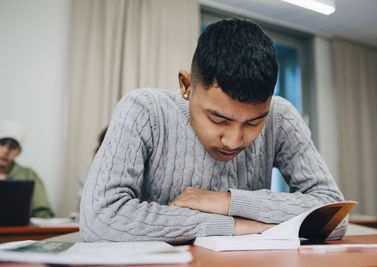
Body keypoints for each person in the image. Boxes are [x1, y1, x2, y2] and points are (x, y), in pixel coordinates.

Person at [80, 18, 346, 243]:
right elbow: (99, 219)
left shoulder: (282, 116)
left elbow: (335, 216)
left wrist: (226, 202)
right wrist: (233, 226)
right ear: (186, 86)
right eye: (218, 119)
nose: (233, 141)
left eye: (254, 123)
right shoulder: (144, 110)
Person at [0, 120, 54, 218]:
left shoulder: (29, 175)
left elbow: (44, 213)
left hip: (20, 232)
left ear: (19, 151)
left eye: (12, 147)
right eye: (2, 143)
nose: (6, 150)